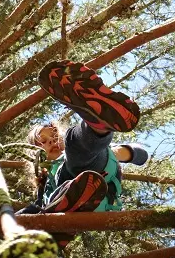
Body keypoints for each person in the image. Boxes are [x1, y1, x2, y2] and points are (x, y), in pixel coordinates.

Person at [19, 60, 149, 221]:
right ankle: (97, 124)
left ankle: (98, 125)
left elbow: (142, 154)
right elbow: (31, 211)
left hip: (98, 179)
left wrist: (121, 153)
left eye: (53, 135)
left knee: (74, 147)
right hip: (65, 198)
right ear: (36, 154)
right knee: (52, 197)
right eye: (42, 142)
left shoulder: (77, 147)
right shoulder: (45, 185)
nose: (51, 142)